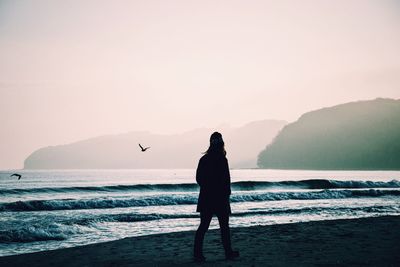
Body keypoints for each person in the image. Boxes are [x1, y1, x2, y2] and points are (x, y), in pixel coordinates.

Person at [193, 132, 239, 262]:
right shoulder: (222, 159)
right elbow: (226, 180)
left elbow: (199, 178)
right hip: (220, 198)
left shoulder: (204, 159)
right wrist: (226, 193)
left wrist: (207, 187)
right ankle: (228, 252)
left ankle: (197, 254)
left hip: (207, 198)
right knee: (224, 226)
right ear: (221, 144)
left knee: (203, 226)